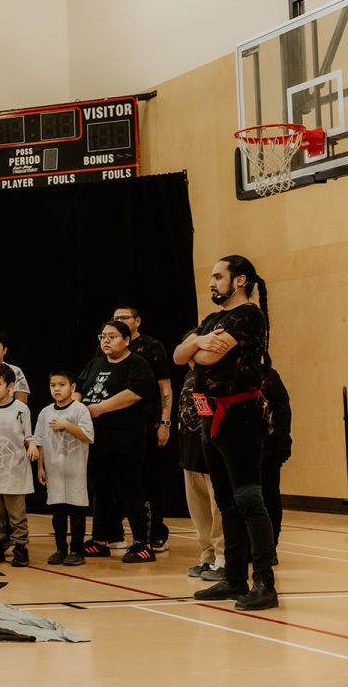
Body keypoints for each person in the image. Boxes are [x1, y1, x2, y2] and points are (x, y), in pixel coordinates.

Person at [175, 255, 277, 611]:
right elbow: (179, 355)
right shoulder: (212, 321)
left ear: (239, 281)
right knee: (226, 502)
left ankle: (264, 582)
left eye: (218, 276)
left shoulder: (248, 315)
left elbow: (204, 359)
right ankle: (234, 578)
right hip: (211, 417)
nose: (211, 282)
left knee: (249, 499)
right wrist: (198, 343)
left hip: (241, 418)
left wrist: (196, 349)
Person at [77, 320, 157, 564]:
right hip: (96, 439)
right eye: (103, 336)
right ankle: (100, 540)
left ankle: (143, 544)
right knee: (101, 491)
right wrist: (75, 406)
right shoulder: (95, 363)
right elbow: (79, 386)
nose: (106, 341)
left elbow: (134, 394)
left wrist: (100, 408)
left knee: (130, 490)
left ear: (126, 340)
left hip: (124, 439)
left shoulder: (137, 364)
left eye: (112, 336)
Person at [111, 306, 174, 552]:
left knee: (151, 480)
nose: (119, 320)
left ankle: (156, 533)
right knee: (117, 480)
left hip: (148, 424)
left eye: (124, 317)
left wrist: (165, 423)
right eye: (116, 318)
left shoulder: (152, 346)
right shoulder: (107, 346)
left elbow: (165, 387)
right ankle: (114, 532)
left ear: (137, 321)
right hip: (117, 425)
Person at [0, 364, 38, 567]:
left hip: (14, 469)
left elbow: (28, 435)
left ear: (10, 386)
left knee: (16, 514)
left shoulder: (21, 409)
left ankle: (20, 548)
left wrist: (31, 445)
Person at [34, 371, 94, 566]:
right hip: (55, 472)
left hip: (75, 470)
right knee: (58, 514)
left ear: (72, 387)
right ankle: (61, 549)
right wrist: (40, 467)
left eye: (62, 385)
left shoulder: (80, 409)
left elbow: (88, 436)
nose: (57, 389)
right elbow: (40, 441)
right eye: (53, 385)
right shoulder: (45, 412)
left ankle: (77, 550)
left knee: (76, 513)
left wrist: (67, 425)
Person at [177, 365, 226, 581]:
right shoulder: (190, 374)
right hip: (191, 452)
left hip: (213, 452)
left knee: (219, 510)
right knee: (199, 511)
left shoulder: (219, 373)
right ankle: (207, 556)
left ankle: (223, 558)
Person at [260, 368, 292, 550]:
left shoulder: (269, 375)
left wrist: (282, 444)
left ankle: (270, 545)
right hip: (243, 447)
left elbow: (283, 411)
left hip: (268, 448)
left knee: (269, 496)